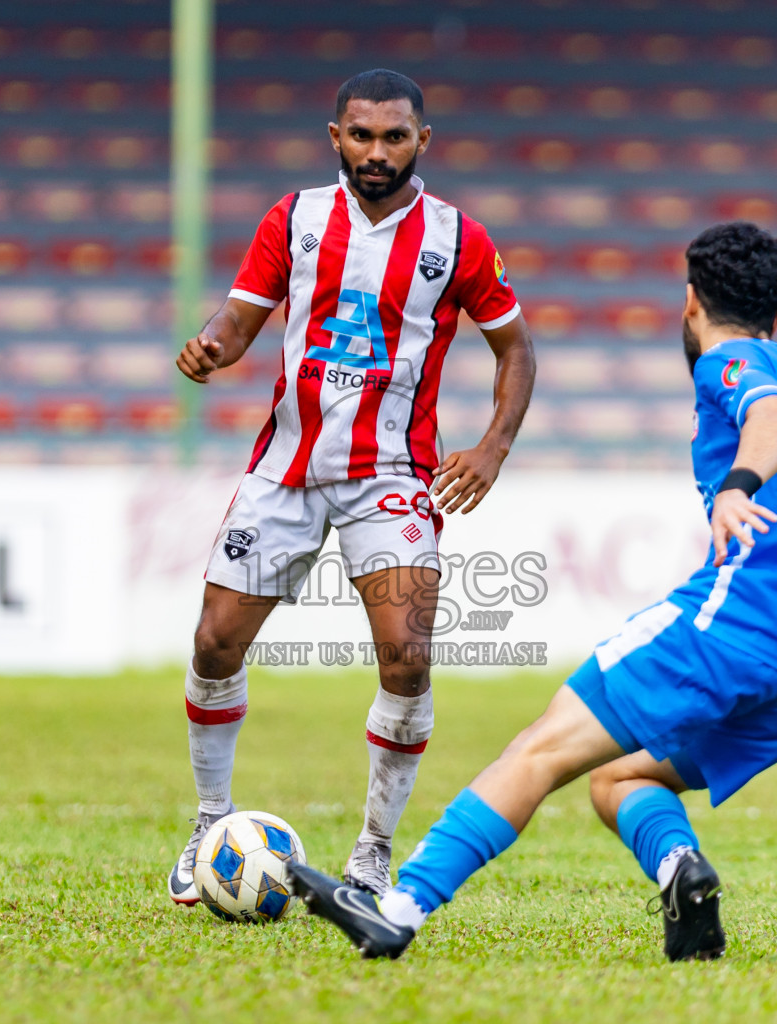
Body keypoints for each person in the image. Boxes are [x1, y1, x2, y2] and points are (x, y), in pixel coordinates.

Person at [289, 222, 777, 962]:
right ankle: (680, 872)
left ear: (691, 302)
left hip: (743, 621)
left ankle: (399, 907)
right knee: (618, 778)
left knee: (541, 749)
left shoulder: (730, 361)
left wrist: (737, 487)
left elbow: (769, 418)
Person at [167, 68, 536, 903]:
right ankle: (210, 822)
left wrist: (492, 448)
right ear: (335, 137)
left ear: (422, 142)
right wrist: (212, 346)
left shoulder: (458, 239)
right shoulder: (293, 219)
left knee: (407, 657)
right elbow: (240, 317)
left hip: (393, 476)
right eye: (361, 136)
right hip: (286, 470)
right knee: (214, 641)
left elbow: (516, 350)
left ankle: (373, 851)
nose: (377, 152)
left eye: (394, 136)